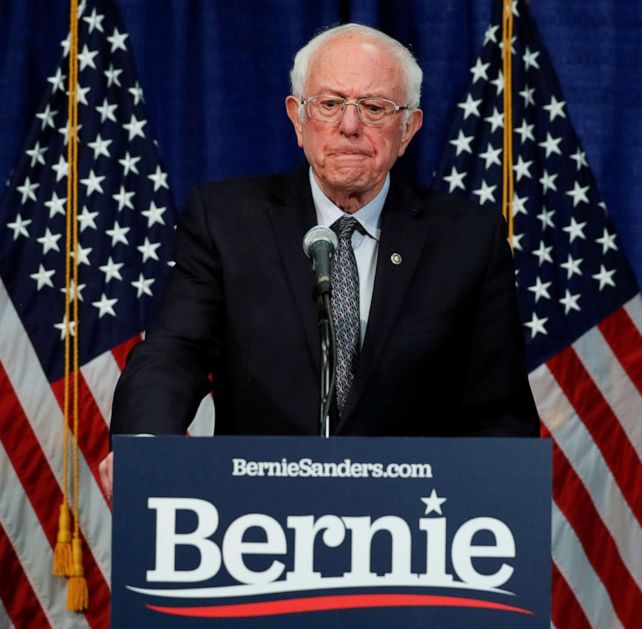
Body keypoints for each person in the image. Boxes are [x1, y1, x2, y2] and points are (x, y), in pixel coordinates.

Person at [99, 23, 537, 495]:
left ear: (408, 128)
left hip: (415, 525)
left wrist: (491, 498)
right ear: (298, 119)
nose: (350, 126)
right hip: (255, 517)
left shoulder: (468, 240)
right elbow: (175, 352)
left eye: (374, 108)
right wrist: (144, 445)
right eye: (329, 104)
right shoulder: (226, 222)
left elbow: (498, 412)